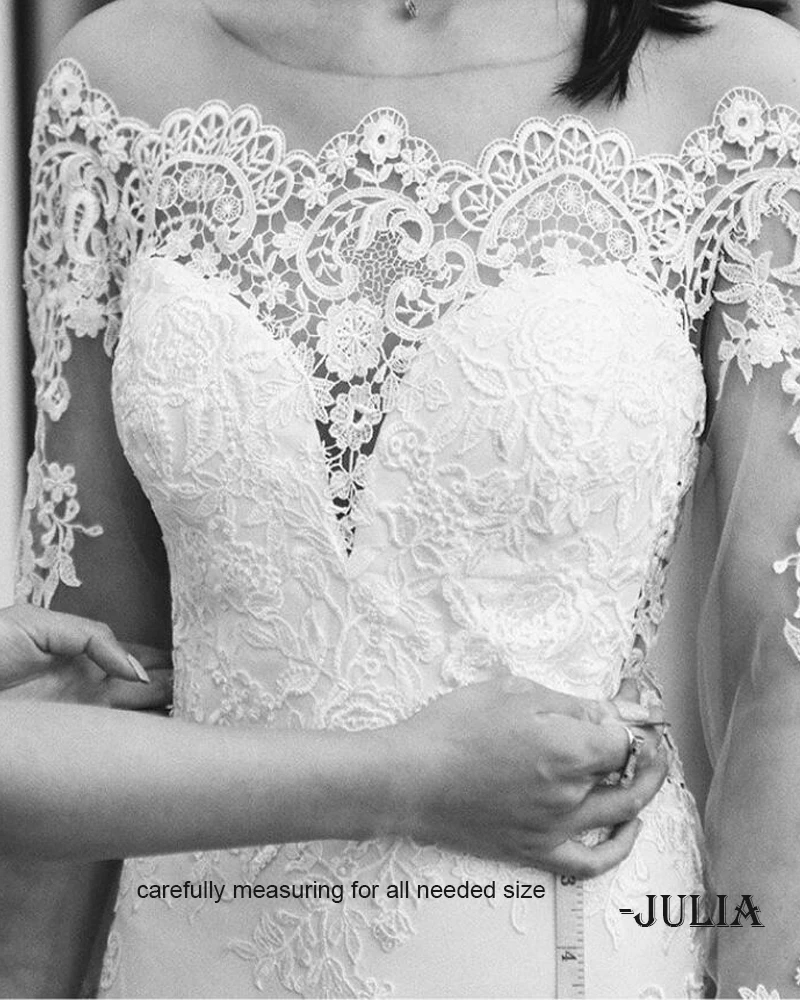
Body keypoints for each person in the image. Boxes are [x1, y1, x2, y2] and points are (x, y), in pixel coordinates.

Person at [7, 0, 800, 994]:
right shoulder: (114, 84)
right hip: (192, 952)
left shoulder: (745, 96)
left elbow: (777, 664)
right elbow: (86, 665)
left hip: (567, 948)